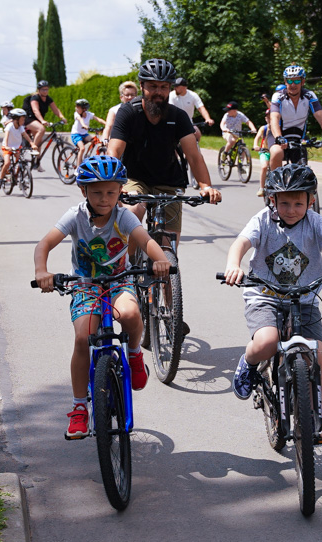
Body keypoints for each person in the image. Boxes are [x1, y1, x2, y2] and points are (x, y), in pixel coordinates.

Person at [222, 164, 322, 441]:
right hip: (265, 296)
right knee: (266, 341)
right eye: (284, 202)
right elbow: (241, 243)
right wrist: (233, 264)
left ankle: (316, 417)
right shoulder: (263, 220)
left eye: (298, 203)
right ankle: (249, 363)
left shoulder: (314, 222)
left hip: (304, 299)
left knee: (319, 352)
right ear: (272, 200)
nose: (291, 209)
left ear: (310, 201)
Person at [33, 155, 172, 438]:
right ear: (83, 191)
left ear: (120, 190)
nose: (104, 198)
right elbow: (44, 244)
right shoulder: (75, 216)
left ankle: (133, 353)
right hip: (85, 285)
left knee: (132, 314)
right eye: (96, 192)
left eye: (111, 192)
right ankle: (79, 408)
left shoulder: (125, 216)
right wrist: (41, 271)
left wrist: (160, 261)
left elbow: (146, 241)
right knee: (83, 337)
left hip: (119, 283)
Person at [107, 58, 221, 237]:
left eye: (164, 87)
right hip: (135, 178)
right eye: (152, 86)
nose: (158, 92)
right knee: (132, 214)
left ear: (170, 88)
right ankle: (127, 264)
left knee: (168, 247)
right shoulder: (128, 112)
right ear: (142, 85)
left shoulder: (179, 116)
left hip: (168, 181)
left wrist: (206, 186)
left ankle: (165, 259)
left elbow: (193, 155)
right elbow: (114, 151)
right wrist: (114, 182)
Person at [268, 65, 322, 170]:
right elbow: (274, 119)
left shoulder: (309, 95)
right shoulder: (278, 96)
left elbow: (321, 117)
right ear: (285, 82)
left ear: (303, 82)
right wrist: (279, 137)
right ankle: (275, 183)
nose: (293, 85)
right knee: (277, 152)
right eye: (289, 81)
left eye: (297, 81)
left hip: (298, 137)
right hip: (278, 135)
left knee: (302, 172)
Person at [23, 80, 67, 171]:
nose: (45, 91)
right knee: (41, 129)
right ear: (39, 90)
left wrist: (62, 117)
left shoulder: (48, 99)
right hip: (29, 119)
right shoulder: (35, 98)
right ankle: (33, 149)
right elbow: (35, 110)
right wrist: (42, 120)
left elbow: (56, 110)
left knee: (40, 142)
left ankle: (37, 163)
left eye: (47, 89)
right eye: (43, 89)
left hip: (38, 120)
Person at [0, 108, 37, 189]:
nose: (24, 121)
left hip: (17, 147)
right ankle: (0, 179)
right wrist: (7, 147)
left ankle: (18, 178)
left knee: (21, 161)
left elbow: (25, 135)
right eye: (22, 119)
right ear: (16, 120)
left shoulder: (20, 127)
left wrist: (32, 143)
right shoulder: (9, 126)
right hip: (7, 147)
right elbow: (6, 136)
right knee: (7, 163)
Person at [168, 77, 213, 141]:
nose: (175, 88)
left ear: (184, 87)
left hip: (188, 122)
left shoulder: (193, 95)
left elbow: (201, 108)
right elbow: (171, 109)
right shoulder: (172, 95)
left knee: (197, 134)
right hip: (175, 121)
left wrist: (207, 118)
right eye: (174, 86)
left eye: (177, 86)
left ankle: (196, 149)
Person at [71, 99, 107, 167]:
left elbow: (98, 119)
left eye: (78, 107)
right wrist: (84, 125)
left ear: (84, 109)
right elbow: (80, 120)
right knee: (82, 148)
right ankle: (78, 168)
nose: (76, 108)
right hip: (76, 134)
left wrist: (107, 124)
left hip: (84, 134)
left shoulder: (89, 114)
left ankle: (87, 156)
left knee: (95, 140)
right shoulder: (76, 114)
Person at [252, 110, 270, 197]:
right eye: (268, 117)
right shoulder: (264, 128)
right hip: (264, 151)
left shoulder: (279, 128)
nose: (269, 119)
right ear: (265, 118)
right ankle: (261, 188)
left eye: (271, 117)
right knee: (264, 167)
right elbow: (257, 137)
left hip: (274, 152)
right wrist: (256, 145)